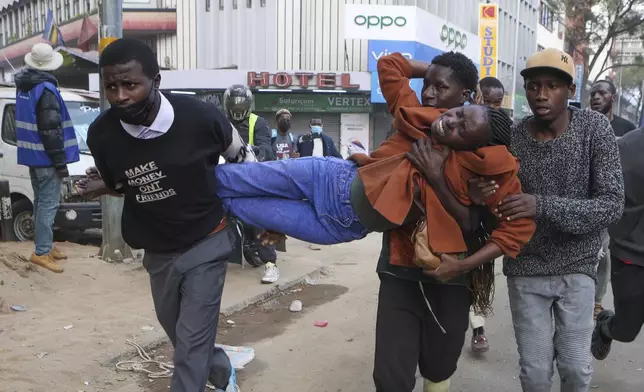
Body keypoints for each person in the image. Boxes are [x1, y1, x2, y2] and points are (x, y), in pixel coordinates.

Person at [81, 38, 248, 392]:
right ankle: (221, 372)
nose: (121, 95)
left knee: (189, 344)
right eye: (111, 86)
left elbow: (244, 162)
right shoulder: (102, 135)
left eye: (130, 84)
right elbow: (123, 184)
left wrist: (266, 218)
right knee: (182, 334)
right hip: (158, 253)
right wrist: (102, 188)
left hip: (207, 240)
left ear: (155, 81)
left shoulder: (200, 117)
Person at [473, 48, 624, 392]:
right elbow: (494, 198)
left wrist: (540, 206)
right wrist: (482, 193)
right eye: (534, 86)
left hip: (578, 265)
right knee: (535, 374)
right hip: (526, 267)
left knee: (574, 368)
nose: (541, 95)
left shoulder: (594, 130)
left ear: (571, 91)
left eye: (552, 86)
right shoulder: (510, 138)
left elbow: (611, 205)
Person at [15, 43, 80, 274]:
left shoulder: (25, 86)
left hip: (33, 157)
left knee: (41, 203)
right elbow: (51, 131)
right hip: (46, 159)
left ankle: (45, 246)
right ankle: (42, 252)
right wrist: (60, 163)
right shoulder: (46, 90)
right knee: (47, 205)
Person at [591, 127, 644, 361]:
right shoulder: (625, 147)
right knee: (626, 330)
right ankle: (605, 326)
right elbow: (607, 200)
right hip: (632, 255)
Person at [589, 79, 637, 318]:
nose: (596, 97)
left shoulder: (628, 129)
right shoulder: (581, 124)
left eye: (602, 93)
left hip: (615, 200)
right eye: (593, 93)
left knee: (604, 250)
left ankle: (597, 300)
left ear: (613, 97)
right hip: (586, 197)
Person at [222, 84, 279, 284]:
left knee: (260, 217)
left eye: (241, 104)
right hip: (226, 177)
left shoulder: (259, 123)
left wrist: (255, 151)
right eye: (234, 103)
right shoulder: (220, 121)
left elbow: (267, 149)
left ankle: (271, 264)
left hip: (252, 177)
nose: (237, 108)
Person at [467, 75, 506, 353]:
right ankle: (472, 327)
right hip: (458, 212)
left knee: (479, 275)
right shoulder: (462, 124)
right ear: (475, 97)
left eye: (497, 102)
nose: (492, 107)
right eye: (486, 101)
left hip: (488, 217)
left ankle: (478, 328)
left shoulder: (506, 129)